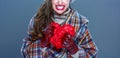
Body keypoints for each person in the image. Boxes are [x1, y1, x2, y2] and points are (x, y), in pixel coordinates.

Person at [21, 0, 98, 58]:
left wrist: (74, 50)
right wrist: (42, 43)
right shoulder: (37, 20)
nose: (60, 2)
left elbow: (92, 53)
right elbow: (25, 53)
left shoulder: (80, 22)